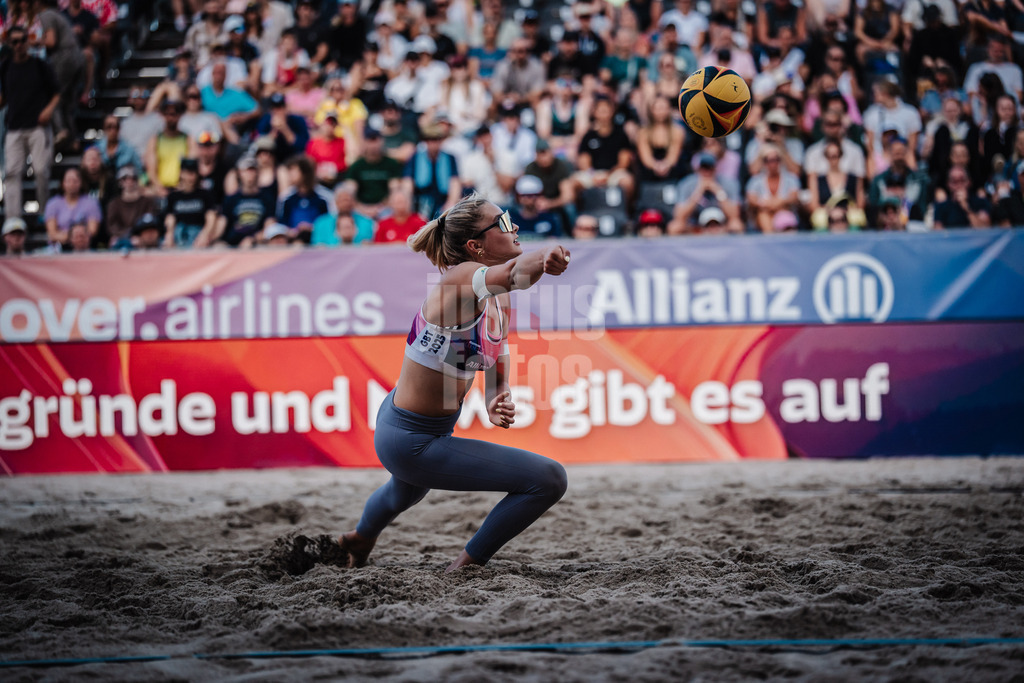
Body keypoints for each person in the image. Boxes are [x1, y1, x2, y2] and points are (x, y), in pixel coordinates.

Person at [338, 193, 569, 572]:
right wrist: (546, 256)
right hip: (411, 438)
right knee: (548, 480)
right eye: (504, 222)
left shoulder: (496, 298)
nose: (513, 228)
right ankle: (466, 564)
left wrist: (496, 394)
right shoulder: (461, 277)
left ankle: (359, 539)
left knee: (404, 491)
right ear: (475, 245)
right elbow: (516, 273)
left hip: (410, 422)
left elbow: (496, 350)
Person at [0, 26, 60, 220]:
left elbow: (57, 93)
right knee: (11, 173)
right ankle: (13, 219)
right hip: (14, 127)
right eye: (15, 41)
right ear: (9, 44)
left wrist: (48, 110)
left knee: (41, 171)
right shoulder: (5, 67)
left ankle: (44, 213)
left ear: (28, 41)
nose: (19, 45)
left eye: (22, 40)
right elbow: (3, 97)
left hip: (37, 126)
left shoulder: (39, 65)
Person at [165, 158, 218, 248]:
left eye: (192, 173)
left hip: (198, 231)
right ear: (181, 173)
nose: (190, 177)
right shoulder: (174, 196)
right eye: (187, 173)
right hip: (179, 232)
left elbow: (211, 216)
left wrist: (205, 235)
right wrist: (169, 234)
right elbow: (170, 217)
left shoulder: (204, 194)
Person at [44, 167, 102, 248]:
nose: (72, 184)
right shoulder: (53, 203)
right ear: (62, 183)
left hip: (84, 247)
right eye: (68, 181)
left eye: (75, 181)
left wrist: (77, 238)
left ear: (81, 183)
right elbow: (52, 233)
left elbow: (92, 230)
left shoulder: (91, 203)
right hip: (58, 247)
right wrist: (72, 237)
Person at [104, 166, 158, 249]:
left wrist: (139, 236)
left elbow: (149, 222)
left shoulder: (147, 202)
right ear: (120, 182)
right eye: (125, 178)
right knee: (114, 242)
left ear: (137, 180)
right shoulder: (114, 204)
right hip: (120, 239)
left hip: (142, 239)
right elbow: (112, 226)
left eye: (133, 178)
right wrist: (126, 236)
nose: (129, 181)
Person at [508, 174, 563, 240]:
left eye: (530, 195)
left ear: (539, 195)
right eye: (522, 195)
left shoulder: (549, 219)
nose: (525, 198)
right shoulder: (511, 220)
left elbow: (554, 241)